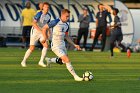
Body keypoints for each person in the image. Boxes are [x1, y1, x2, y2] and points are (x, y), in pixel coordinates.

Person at [42, 9, 83, 81]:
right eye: (67, 16)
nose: (68, 18)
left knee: (63, 61)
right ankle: (75, 76)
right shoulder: (55, 22)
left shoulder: (66, 25)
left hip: (62, 45)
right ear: (62, 15)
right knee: (67, 60)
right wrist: (45, 38)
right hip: (55, 46)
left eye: (68, 17)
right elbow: (44, 28)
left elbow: (66, 36)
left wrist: (74, 44)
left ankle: (50, 60)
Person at [21, 2, 51, 67]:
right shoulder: (39, 13)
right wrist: (41, 31)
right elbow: (33, 23)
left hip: (42, 32)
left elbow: (47, 25)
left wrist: (48, 32)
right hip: (35, 31)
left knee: (46, 45)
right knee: (32, 48)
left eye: (48, 7)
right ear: (43, 7)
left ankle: (41, 61)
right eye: (46, 7)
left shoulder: (49, 15)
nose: (47, 8)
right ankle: (23, 61)